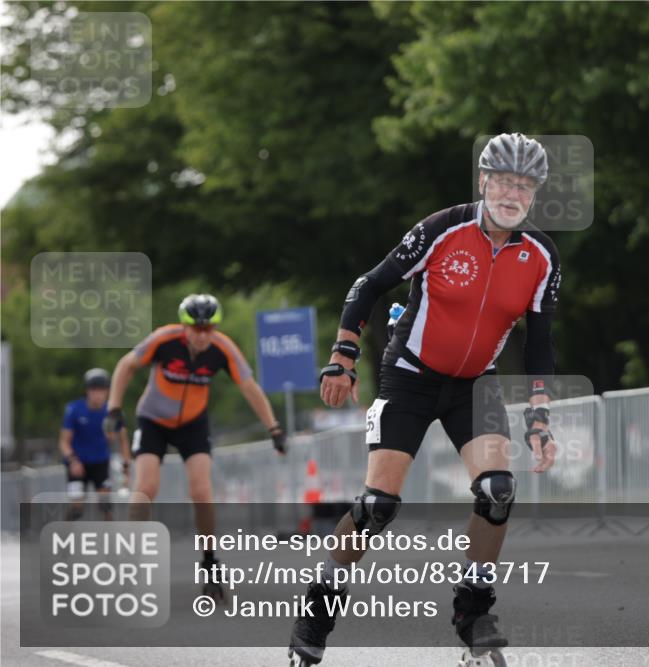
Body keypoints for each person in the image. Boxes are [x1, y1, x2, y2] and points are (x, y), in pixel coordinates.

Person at [289, 133, 561, 666]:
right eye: (503, 180)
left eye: (524, 185)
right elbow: (368, 286)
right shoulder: (442, 229)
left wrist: (539, 417)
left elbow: (542, 343)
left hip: (475, 385)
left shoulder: (542, 256)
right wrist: (343, 356)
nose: (512, 193)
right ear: (484, 181)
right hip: (410, 376)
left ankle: (474, 612)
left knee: (498, 490)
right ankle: (318, 609)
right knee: (376, 507)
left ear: (535, 193)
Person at [104, 294, 287, 591]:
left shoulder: (222, 348)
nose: (202, 335)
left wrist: (274, 427)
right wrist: (113, 407)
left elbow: (249, 388)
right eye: (196, 328)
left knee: (202, 491)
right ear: (184, 326)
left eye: (208, 329)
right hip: (153, 419)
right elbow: (126, 365)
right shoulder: (164, 340)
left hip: (193, 424)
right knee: (146, 486)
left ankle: (210, 561)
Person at [59, 368, 129, 520]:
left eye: (101, 390)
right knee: (77, 508)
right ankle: (62, 537)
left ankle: (110, 540)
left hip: (100, 462)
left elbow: (122, 440)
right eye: (94, 390)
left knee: (105, 505)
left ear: (107, 391)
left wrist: (126, 467)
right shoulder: (74, 410)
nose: (97, 394)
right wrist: (72, 461)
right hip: (77, 463)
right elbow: (64, 441)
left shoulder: (111, 412)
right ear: (87, 391)